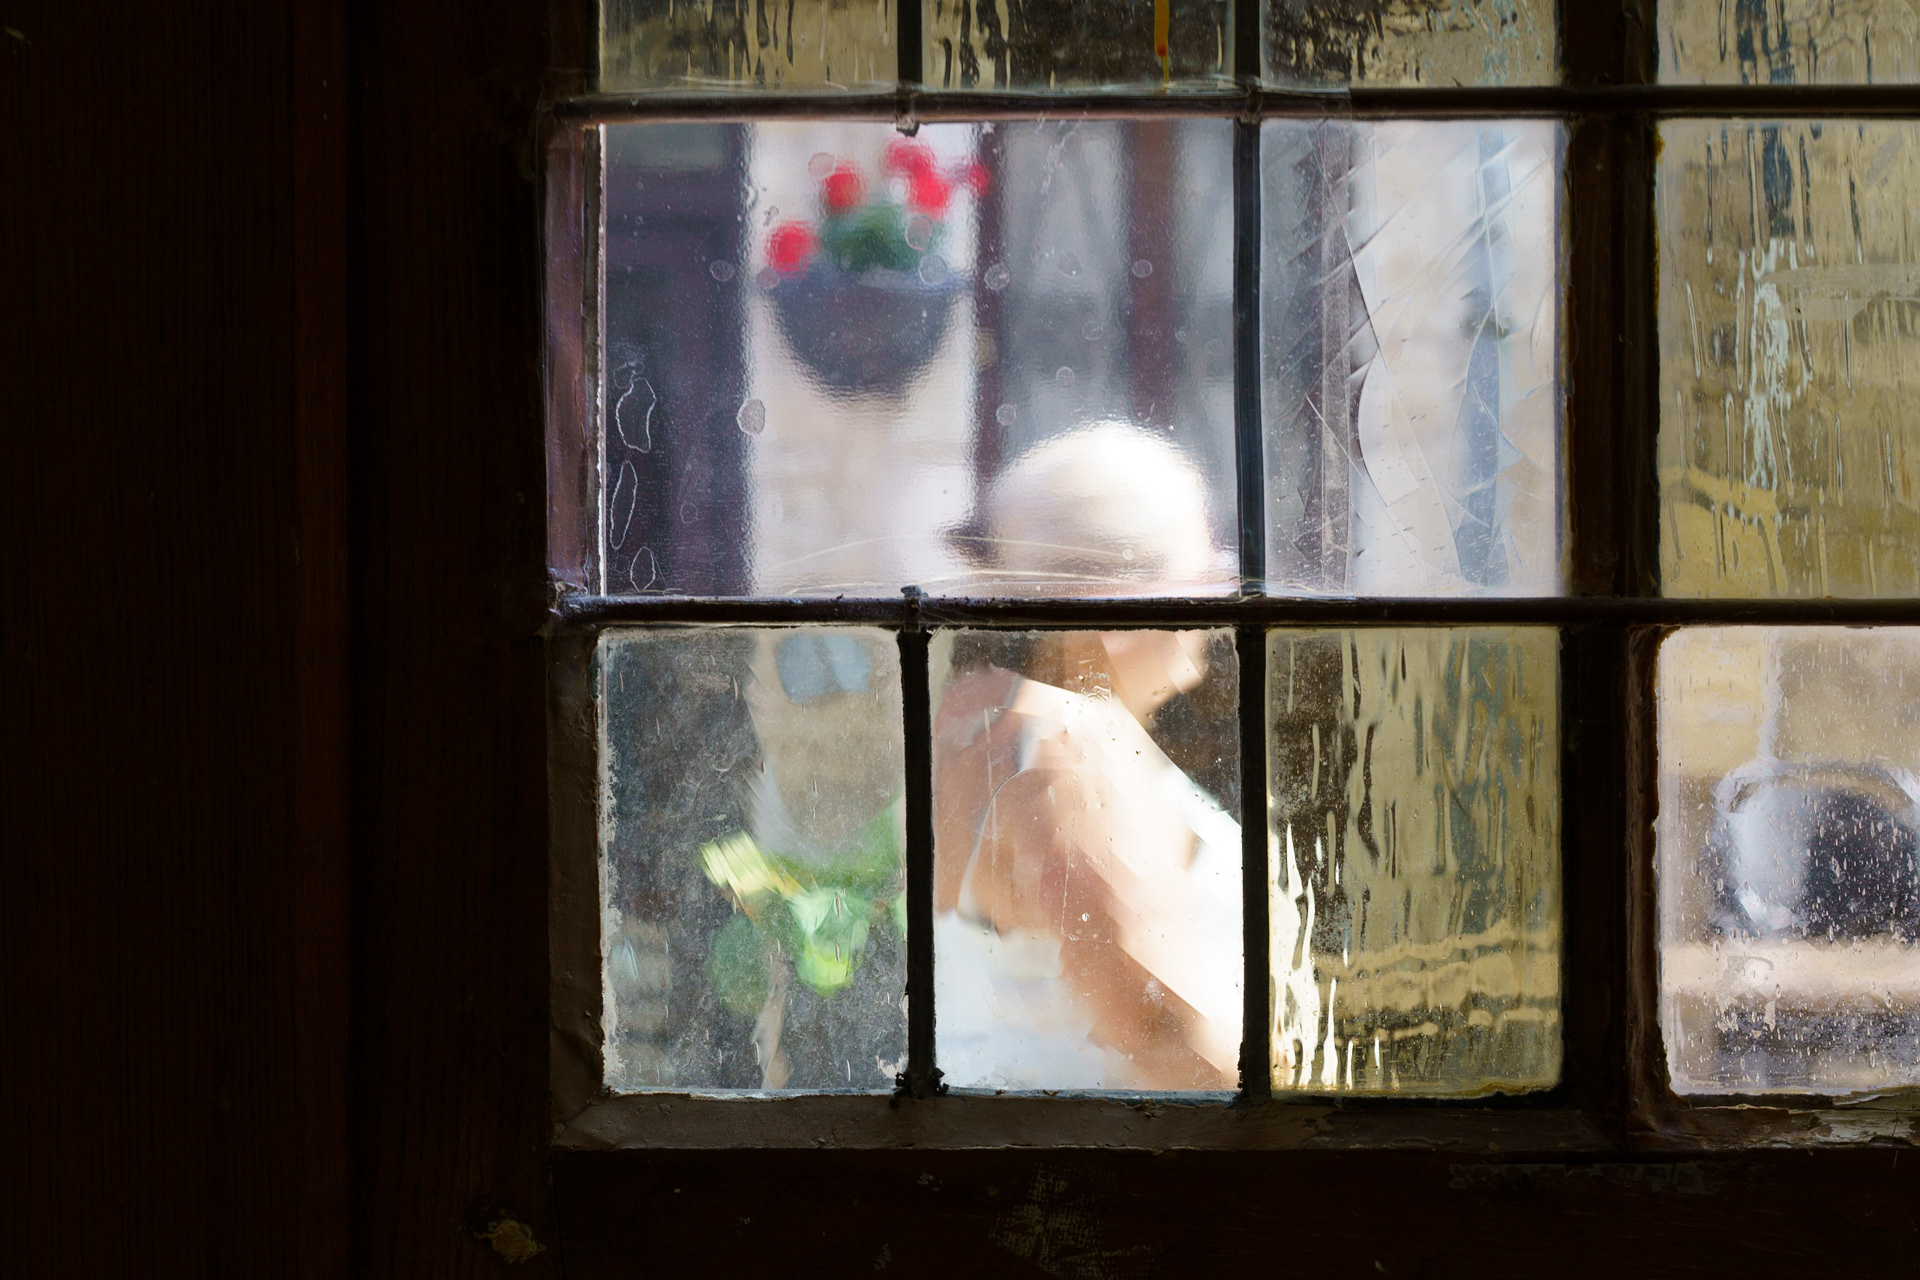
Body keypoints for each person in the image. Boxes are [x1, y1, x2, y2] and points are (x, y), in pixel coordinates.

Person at [932, 421, 1243, 1090]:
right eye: (1202, 569)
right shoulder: (1067, 757)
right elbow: (1163, 1033)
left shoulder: (1015, 728)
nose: (1223, 589)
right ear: (1116, 602)